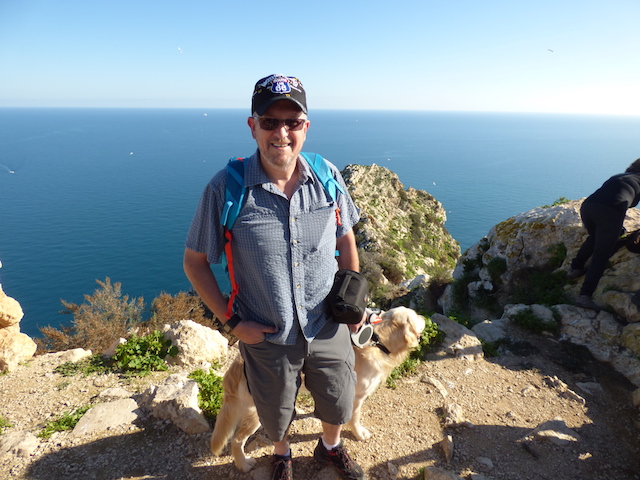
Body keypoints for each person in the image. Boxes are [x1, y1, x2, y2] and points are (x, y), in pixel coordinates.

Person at [183, 74, 366, 480]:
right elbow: (195, 262)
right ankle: (281, 453)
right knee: (274, 407)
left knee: (338, 396)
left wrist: (352, 301)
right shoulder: (225, 189)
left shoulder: (327, 176)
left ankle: (330, 447)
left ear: (306, 127)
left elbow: (345, 236)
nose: (281, 133)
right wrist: (232, 323)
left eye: (292, 122)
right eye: (269, 122)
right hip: (267, 332)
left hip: (327, 322)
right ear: (253, 127)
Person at [568, 158, 640, 311]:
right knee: (601, 255)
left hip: (588, 207)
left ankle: (576, 268)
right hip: (610, 211)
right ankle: (585, 296)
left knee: (595, 237)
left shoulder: (620, 176)